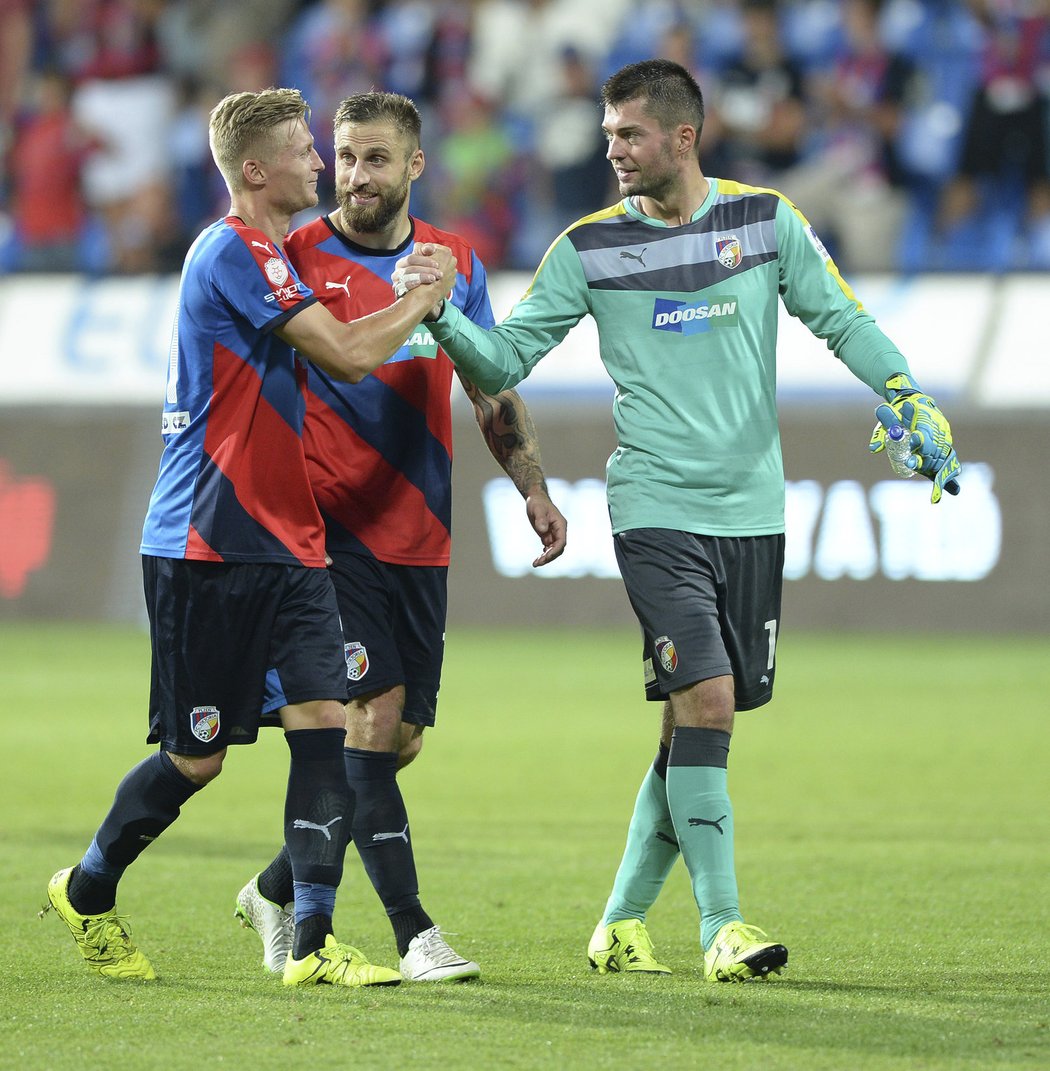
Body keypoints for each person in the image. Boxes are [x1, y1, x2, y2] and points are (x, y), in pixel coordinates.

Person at [396, 59, 961, 982]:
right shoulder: (587, 247)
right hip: (653, 505)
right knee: (706, 699)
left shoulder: (766, 221)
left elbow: (844, 319)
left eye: (628, 134)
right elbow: (507, 358)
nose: (611, 149)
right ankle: (723, 926)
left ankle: (619, 922)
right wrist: (444, 317)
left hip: (754, 511)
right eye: (608, 133)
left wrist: (905, 390)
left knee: (687, 731)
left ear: (683, 137)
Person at [40, 87, 456, 990]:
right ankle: (89, 885)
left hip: (293, 541)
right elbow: (346, 353)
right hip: (207, 537)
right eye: (308, 150)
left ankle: (311, 942)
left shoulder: (274, 255)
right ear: (258, 169)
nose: (323, 164)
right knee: (198, 754)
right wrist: (423, 299)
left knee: (325, 724)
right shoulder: (233, 250)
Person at [233, 90, 566, 982]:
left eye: (376, 158)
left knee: (399, 738)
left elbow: (491, 386)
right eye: (343, 157)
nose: (354, 176)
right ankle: (410, 932)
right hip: (325, 533)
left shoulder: (455, 261)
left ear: (416, 165)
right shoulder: (298, 256)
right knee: (370, 718)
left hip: (419, 532)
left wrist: (532, 487)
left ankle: (277, 883)